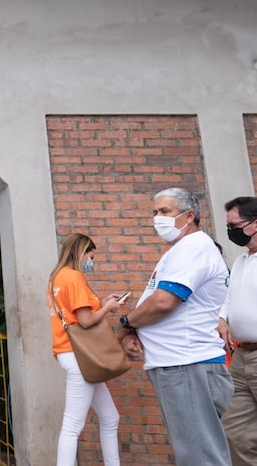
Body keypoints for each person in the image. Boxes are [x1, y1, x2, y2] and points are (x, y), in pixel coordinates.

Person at [118, 187, 232, 465]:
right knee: (194, 451)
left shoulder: (193, 248)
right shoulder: (183, 250)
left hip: (187, 364)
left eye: (165, 211)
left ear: (189, 215)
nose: (158, 218)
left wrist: (125, 324)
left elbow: (163, 302)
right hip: (180, 365)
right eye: (155, 212)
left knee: (200, 457)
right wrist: (136, 330)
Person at [47, 234, 123, 466]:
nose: (92, 259)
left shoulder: (55, 278)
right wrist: (109, 307)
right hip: (81, 356)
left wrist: (103, 301)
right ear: (81, 252)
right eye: (91, 254)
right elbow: (86, 320)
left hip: (70, 353)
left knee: (111, 417)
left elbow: (75, 314)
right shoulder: (74, 277)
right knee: (72, 426)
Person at [218, 196, 257, 464]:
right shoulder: (242, 260)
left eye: (235, 224)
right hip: (241, 357)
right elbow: (229, 298)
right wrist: (222, 318)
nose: (231, 231)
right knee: (235, 431)